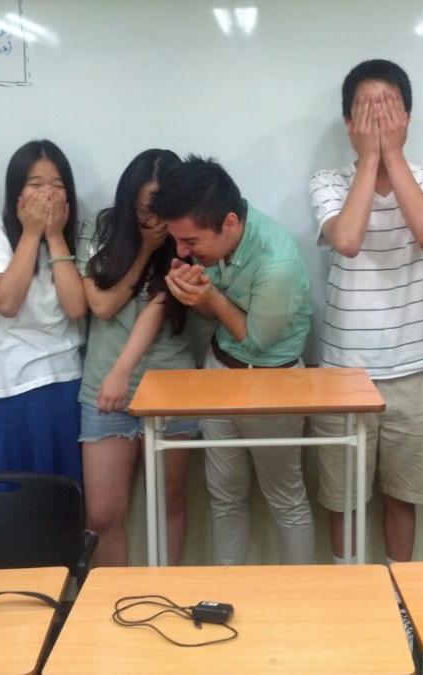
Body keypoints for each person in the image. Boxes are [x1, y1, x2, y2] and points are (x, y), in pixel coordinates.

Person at [308, 59, 423, 564]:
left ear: (406, 118)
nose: (375, 121)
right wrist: (372, 158)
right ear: (348, 122)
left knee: (402, 499)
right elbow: (347, 240)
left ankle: (398, 596)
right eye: (364, 112)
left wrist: (391, 153)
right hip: (343, 375)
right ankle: (348, 595)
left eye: (386, 109)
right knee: (343, 502)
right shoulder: (328, 181)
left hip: (413, 372)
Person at [152, 155, 315, 565]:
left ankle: (302, 594)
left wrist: (208, 296)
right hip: (218, 370)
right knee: (223, 495)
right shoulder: (217, 239)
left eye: (191, 242)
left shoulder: (277, 262)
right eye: (177, 240)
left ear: (228, 222)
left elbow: (257, 341)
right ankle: (226, 590)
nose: (182, 251)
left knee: (285, 497)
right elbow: (217, 317)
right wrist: (195, 293)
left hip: (273, 384)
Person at [78, 149, 196, 566]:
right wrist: (144, 250)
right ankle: (115, 599)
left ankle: (167, 592)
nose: (155, 219)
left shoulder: (186, 238)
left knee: (168, 502)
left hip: (169, 384)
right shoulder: (100, 229)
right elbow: (102, 305)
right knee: (102, 514)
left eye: (163, 209)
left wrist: (124, 370)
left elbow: (159, 307)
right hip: (105, 384)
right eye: (146, 208)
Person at [0, 140, 86, 479]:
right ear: (16, 191)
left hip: (63, 379)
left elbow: (76, 307)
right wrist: (32, 233)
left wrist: (56, 237)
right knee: (7, 497)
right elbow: (6, 302)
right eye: (35, 184)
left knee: (62, 494)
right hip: (2, 386)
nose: (47, 193)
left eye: (57, 185)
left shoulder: (75, 235)